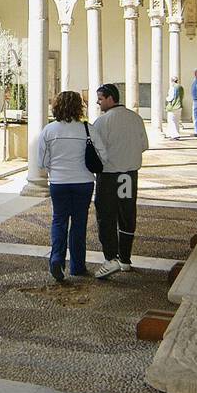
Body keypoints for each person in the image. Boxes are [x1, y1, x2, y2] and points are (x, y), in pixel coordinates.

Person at [37, 90, 105, 282]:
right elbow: (103, 155)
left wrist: (55, 168)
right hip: (83, 182)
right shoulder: (87, 129)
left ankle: (57, 259)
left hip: (59, 182)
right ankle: (77, 266)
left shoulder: (49, 130)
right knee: (79, 223)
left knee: (59, 220)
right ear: (78, 107)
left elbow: (41, 162)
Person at [91, 83, 149, 279]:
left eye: (100, 98)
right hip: (129, 176)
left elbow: (97, 151)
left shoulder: (102, 121)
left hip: (109, 177)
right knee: (127, 214)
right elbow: (144, 145)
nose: (98, 102)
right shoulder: (135, 118)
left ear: (110, 98)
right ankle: (125, 258)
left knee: (106, 216)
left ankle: (110, 259)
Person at [164, 75, 184, 140]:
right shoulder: (181, 87)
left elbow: (170, 98)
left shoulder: (173, 88)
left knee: (171, 120)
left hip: (173, 106)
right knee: (176, 121)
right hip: (179, 106)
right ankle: (172, 133)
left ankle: (175, 135)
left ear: (172, 81)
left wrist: (166, 99)